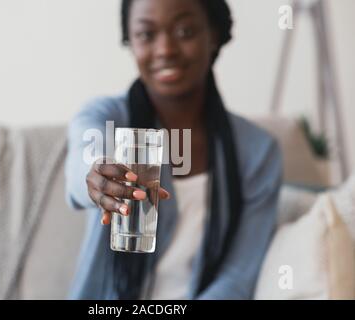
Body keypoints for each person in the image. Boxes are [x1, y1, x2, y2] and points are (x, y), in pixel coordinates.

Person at [65, 0, 283, 300]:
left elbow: (237, 277)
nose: (165, 49)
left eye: (184, 31)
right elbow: (83, 161)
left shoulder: (258, 152)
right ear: (130, 41)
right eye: (146, 34)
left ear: (214, 34)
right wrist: (96, 179)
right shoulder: (105, 117)